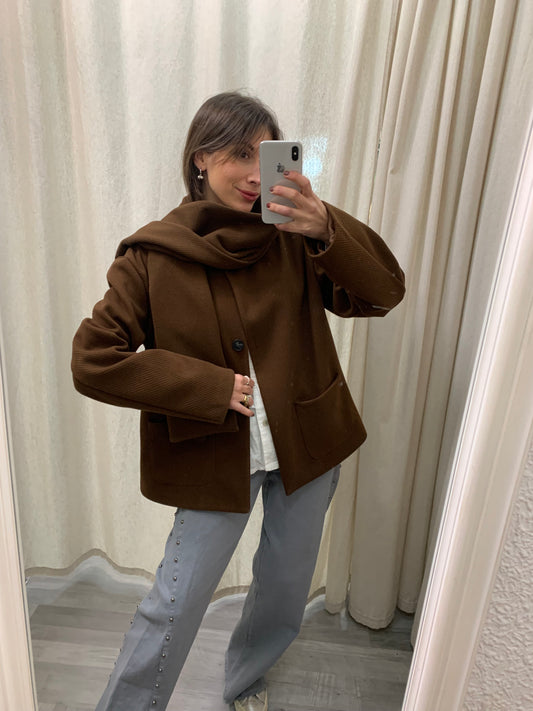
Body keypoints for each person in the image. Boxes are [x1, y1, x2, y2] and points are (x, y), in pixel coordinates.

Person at [71, 91, 405, 711]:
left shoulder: (294, 237)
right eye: (238, 154)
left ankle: (245, 682)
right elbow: (93, 360)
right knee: (173, 604)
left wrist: (326, 227)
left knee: (284, 588)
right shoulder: (151, 255)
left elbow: (384, 292)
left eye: (265, 155)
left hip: (308, 445)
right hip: (211, 454)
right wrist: (208, 387)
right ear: (201, 158)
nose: (255, 173)